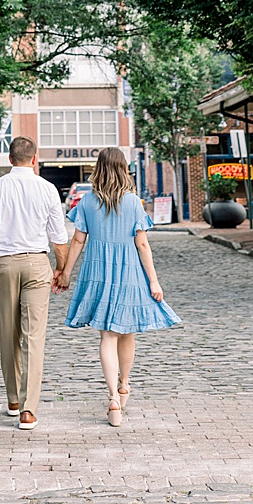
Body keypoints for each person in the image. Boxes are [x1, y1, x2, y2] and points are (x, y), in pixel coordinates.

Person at [56, 146, 182, 426]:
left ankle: (113, 398)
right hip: (129, 272)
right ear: (124, 168)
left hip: (98, 271)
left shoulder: (87, 202)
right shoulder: (134, 202)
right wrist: (153, 280)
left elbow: (77, 241)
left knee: (107, 337)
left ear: (98, 169)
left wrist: (65, 273)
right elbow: (142, 243)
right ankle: (124, 384)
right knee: (126, 333)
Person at [0, 134, 70, 430]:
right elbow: (59, 237)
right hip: (37, 263)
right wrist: (61, 268)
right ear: (34, 159)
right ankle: (29, 410)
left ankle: (13, 400)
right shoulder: (47, 189)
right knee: (34, 336)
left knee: (8, 332)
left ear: (10, 159)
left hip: (4, 264)